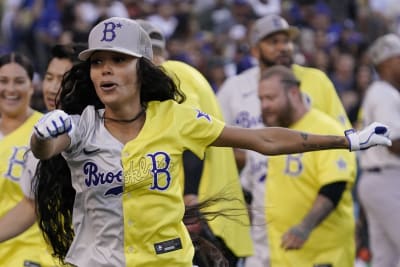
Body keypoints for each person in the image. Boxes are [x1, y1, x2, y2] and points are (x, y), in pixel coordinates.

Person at [29, 17, 391, 267]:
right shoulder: (80, 126)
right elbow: (46, 150)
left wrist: (345, 140)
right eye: (97, 62)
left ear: (142, 67)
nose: (104, 69)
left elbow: (261, 138)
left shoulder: (175, 117)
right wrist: (42, 134)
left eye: (118, 60)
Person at [216, 14, 352, 267]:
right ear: (255, 49)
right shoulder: (234, 88)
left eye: (286, 41)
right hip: (259, 192)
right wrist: (253, 153)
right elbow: (213, 140)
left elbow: (342, 140)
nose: (283, 47)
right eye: (273, 41)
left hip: (307, 184)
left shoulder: (316, 80)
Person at [136, 19, 253, 266]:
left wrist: (190, 196)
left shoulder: (172, 73)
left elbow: (189, 138)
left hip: (201, 218)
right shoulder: (186, 73)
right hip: (210, 214)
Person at [258, 65, 357, 266]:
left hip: (323, 255)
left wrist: (304, 227)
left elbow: (334, 187)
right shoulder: (280, 133)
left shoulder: (325, 129)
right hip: (286, 255)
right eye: (261, 99)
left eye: (271, 98)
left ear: (293, 93)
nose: (265, 105)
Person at [0, 44, 82, 246]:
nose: (53, 87)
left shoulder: (99, 126)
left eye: (63, 79)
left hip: (35, 253)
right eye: (49, 78)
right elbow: (31, 204)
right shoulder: (44, 130)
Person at [0, 52, 57, 267]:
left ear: (32, 87)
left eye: (19, 81)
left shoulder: (46, 132)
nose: (10, 89)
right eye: (3, 81)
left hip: (30, 253)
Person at [357, 33, 400, 267]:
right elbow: (393, 142)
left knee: (386, 259)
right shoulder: (384, 93)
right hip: (387, 178)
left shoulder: (382, 92)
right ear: (386, 62)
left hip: (379, 179)